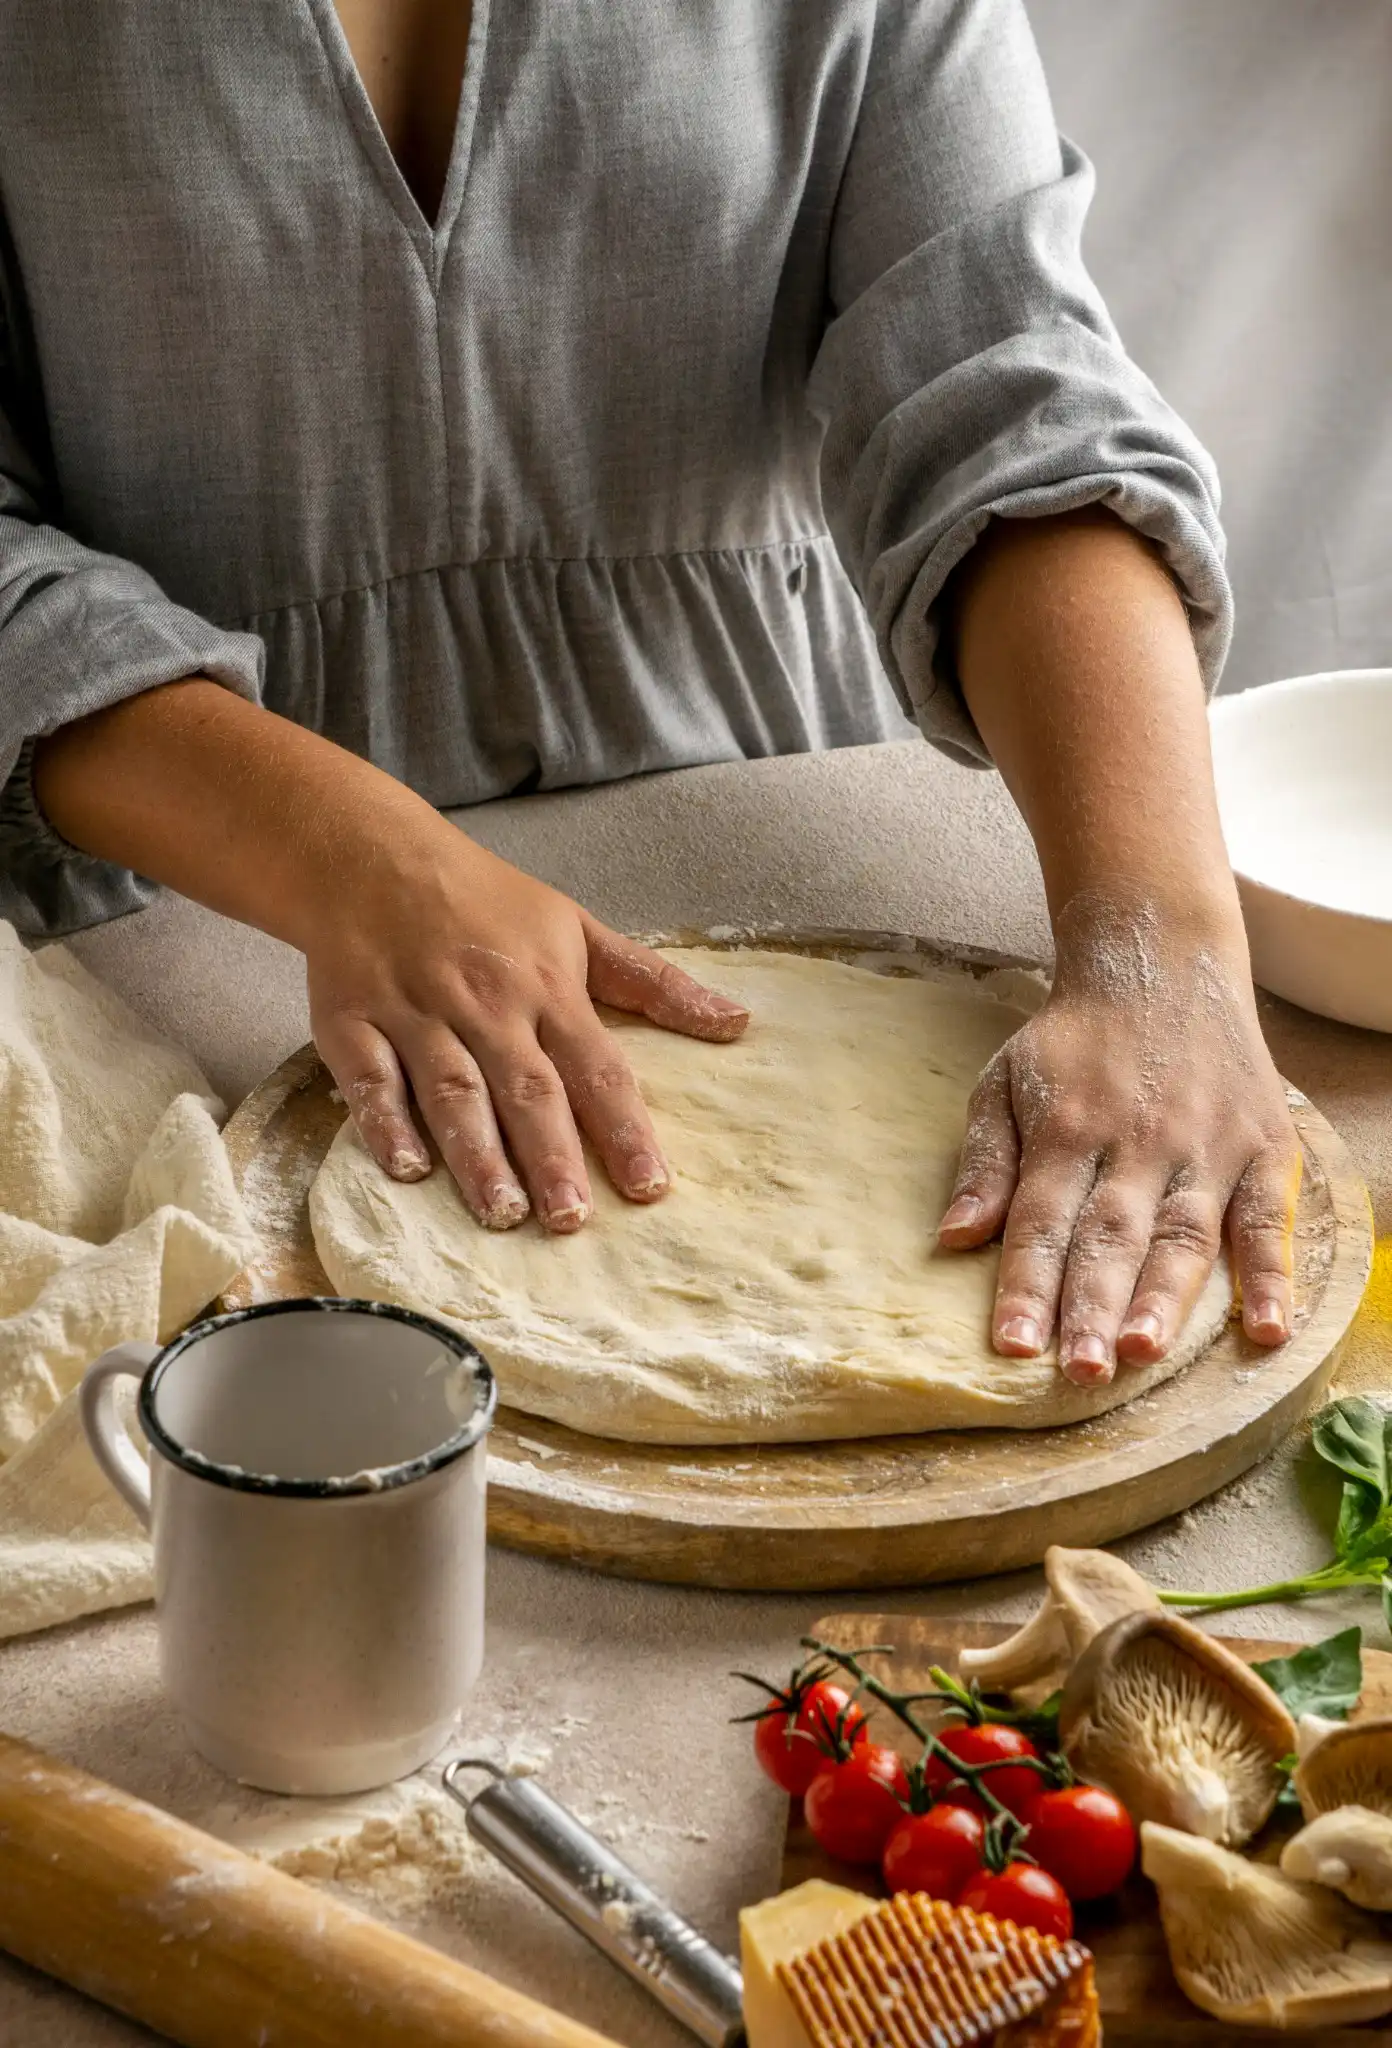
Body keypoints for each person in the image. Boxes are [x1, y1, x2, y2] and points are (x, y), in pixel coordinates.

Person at [0, 0, 1298, 1393]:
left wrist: (1160, 938)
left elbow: (1008, 394)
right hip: (171, 954)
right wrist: (340, 855)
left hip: (774, 897)